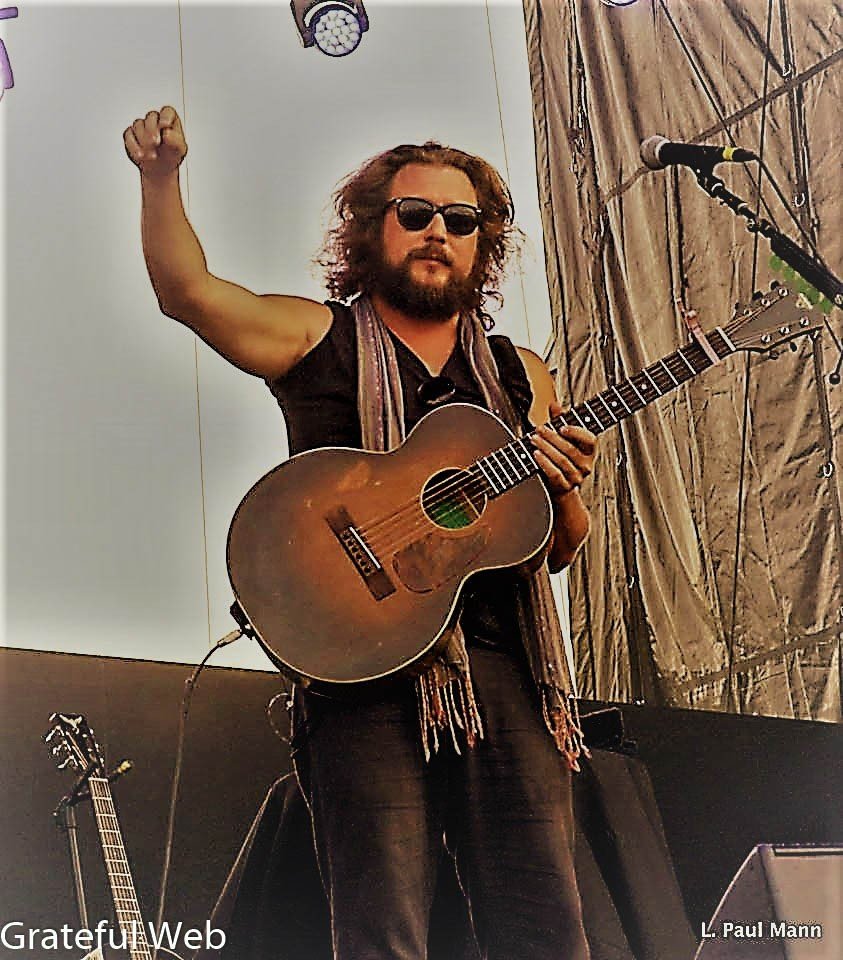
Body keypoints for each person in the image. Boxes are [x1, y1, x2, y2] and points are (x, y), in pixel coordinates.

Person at [125, 106, 597, 960]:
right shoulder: (318, 336)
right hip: (359, 673)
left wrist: (563, 488)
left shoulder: (521, 374)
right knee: (383, 930)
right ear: (373, 226)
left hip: (504, 671)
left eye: (461, 221)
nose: (437, 233)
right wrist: (161, 180)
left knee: (545, 930)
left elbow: (556, 548)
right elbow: (187, 292)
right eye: (415, 213)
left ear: (483, 243)